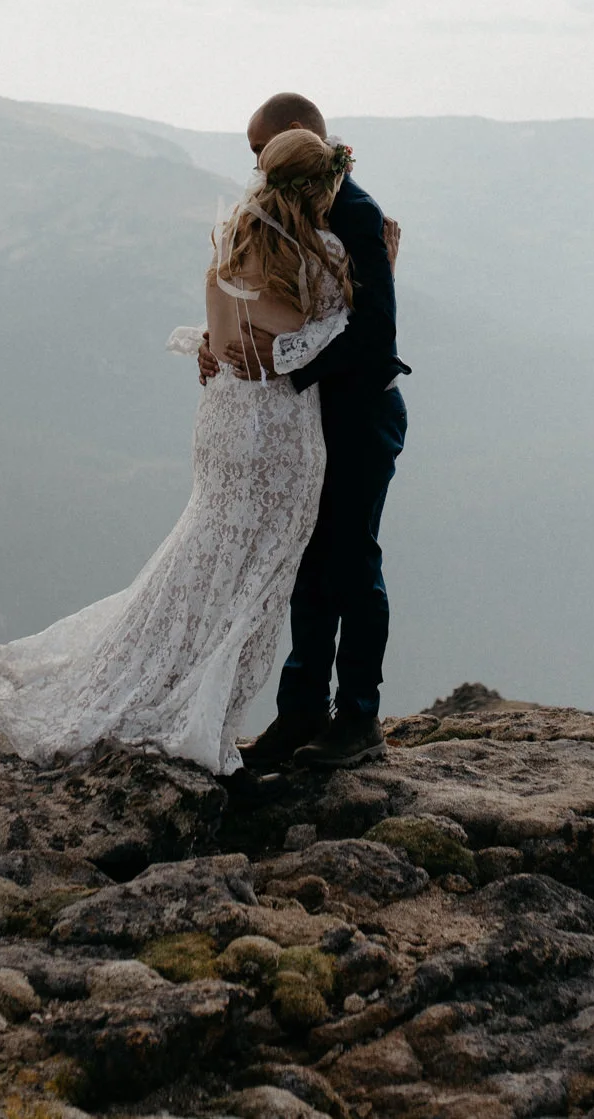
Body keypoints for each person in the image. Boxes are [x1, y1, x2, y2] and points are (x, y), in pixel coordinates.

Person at [0, 127, 360, 773]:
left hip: (223, 424)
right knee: (253, 588)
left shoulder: (231, 242)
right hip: (281, 437)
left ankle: (142, 680)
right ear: (320, 187)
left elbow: (226, 343)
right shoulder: (324, 254)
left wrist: (214, 344)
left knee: (199, 563)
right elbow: (330, 336)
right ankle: (201, 722)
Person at [207, 93, 408, 773]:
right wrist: (218, 344)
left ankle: (359, 718)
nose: (255, 167)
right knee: (309, 563)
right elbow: (269, 301)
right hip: (309, 423)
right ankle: (301, 711)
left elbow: (376, 334)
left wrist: (287, 365)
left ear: (295, 137)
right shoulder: (293, 209)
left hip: (360, 417)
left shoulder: (356, 214)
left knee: (354, 563)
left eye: (259, 151)